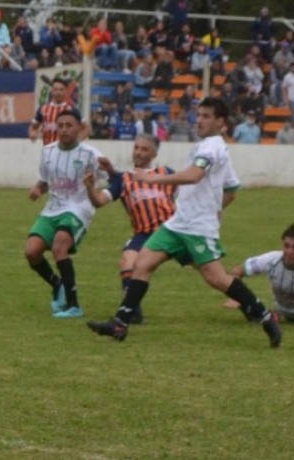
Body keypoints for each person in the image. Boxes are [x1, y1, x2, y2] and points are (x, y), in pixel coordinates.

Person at [86, 98, 283, 348]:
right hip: (177, 222)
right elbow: (232, 188)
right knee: (142, 263)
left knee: (217, 279)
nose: (199, 120)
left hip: (197, 227)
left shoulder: (211, 148)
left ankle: (265, 317)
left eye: (206, 116)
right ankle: (120, 324)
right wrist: (217, 207)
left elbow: (194, 175)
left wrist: (151, 179)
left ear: (220, 122)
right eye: (198, 115)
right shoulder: (213, 147)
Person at [84, 133, 177, 324]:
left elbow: (188, 196)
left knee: (212, 274)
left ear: (154, 154)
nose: (139, 152)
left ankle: (242, 300)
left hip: (173, 233)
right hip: (143, 235)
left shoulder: (167, 173)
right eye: (136, 147)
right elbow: (99, 201)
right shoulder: (124, 179)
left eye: (144, 149)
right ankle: (133, 313)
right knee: (128, 261)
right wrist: (90, 188)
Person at [26, 108, 106, 319]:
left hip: (79, 208)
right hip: (52, 208)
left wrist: (99, 191)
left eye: (69, 125)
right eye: (60, 126)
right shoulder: (48, 152)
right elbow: (45, 181)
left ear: (79, 128)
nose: (64, 130)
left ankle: (73, 305)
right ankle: (57, 284)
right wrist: (37, 189)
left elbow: (113, 177)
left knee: (59, 246)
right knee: (32, 252)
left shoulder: (91, 154)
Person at [29, 77, 74, 145]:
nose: (58, 92)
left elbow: (84, 127)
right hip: (48, 149)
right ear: (52, 91)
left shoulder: (71, 109)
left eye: (61, 90)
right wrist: (32, 133)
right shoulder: (43, 108)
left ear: (65, 91)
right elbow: (33, 126)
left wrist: (79, 140)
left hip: (65, 149)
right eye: (56, 89)